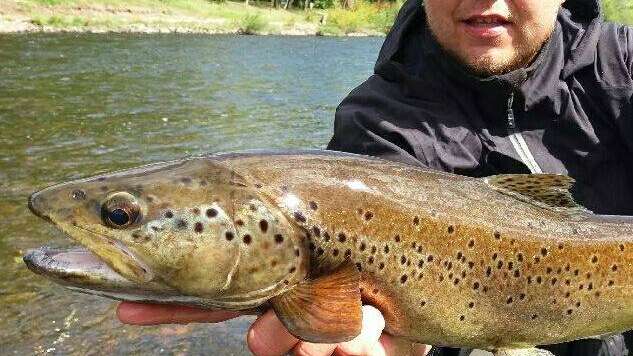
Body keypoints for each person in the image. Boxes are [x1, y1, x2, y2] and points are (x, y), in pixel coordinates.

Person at [118, 0, 633, 355]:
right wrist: (403, 339)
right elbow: (376, 320)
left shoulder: (623, 63)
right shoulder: (378, 127)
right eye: (119, 216)